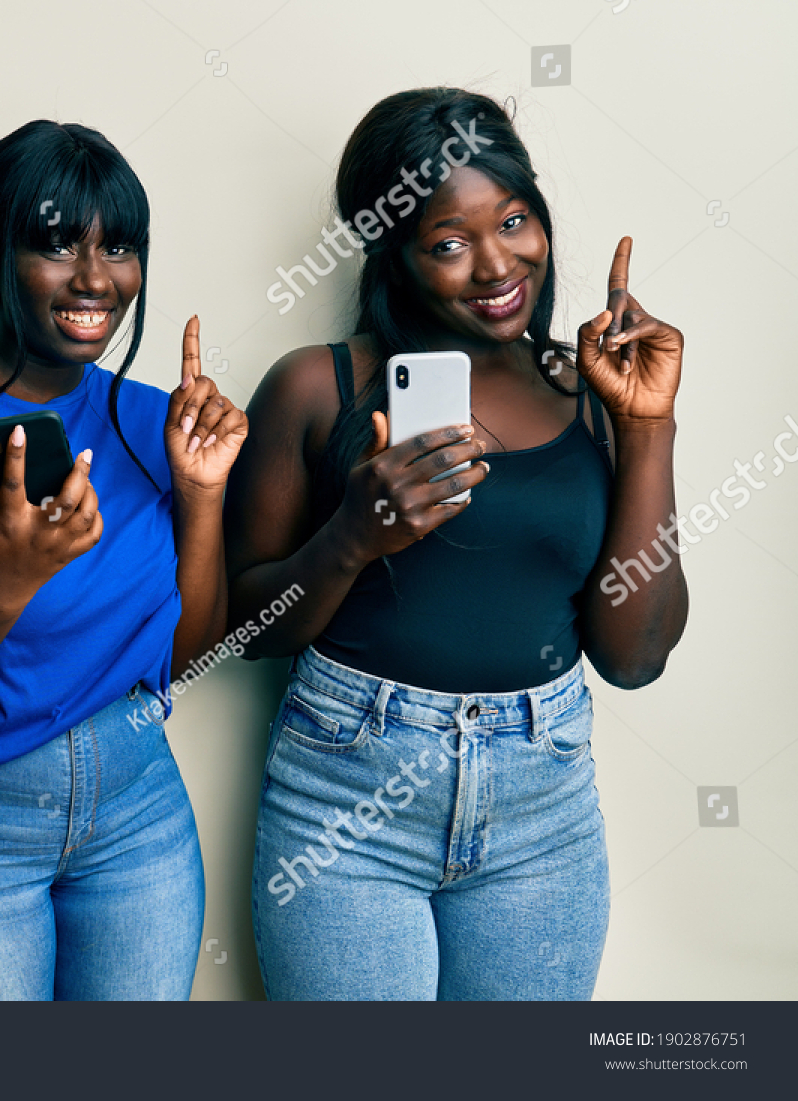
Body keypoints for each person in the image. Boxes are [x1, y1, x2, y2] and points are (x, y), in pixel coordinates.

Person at [226, 89, 687, 1000]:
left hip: (540, 814)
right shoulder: (316, 389)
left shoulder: (590, 388)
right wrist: (352, 537)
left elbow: (634, 657)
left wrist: (648, 429)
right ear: (391, 253)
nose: (496, 264)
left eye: (514, 220)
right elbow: (240, 629)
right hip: (347, 802)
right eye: (448, 242)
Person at [0, 120, 248, 1000]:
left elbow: (190, 654)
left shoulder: (154, 420)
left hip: (137, 816)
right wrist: (0, 588)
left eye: (119, 247)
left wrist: (203, 495)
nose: (96, 277)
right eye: (57, 244)